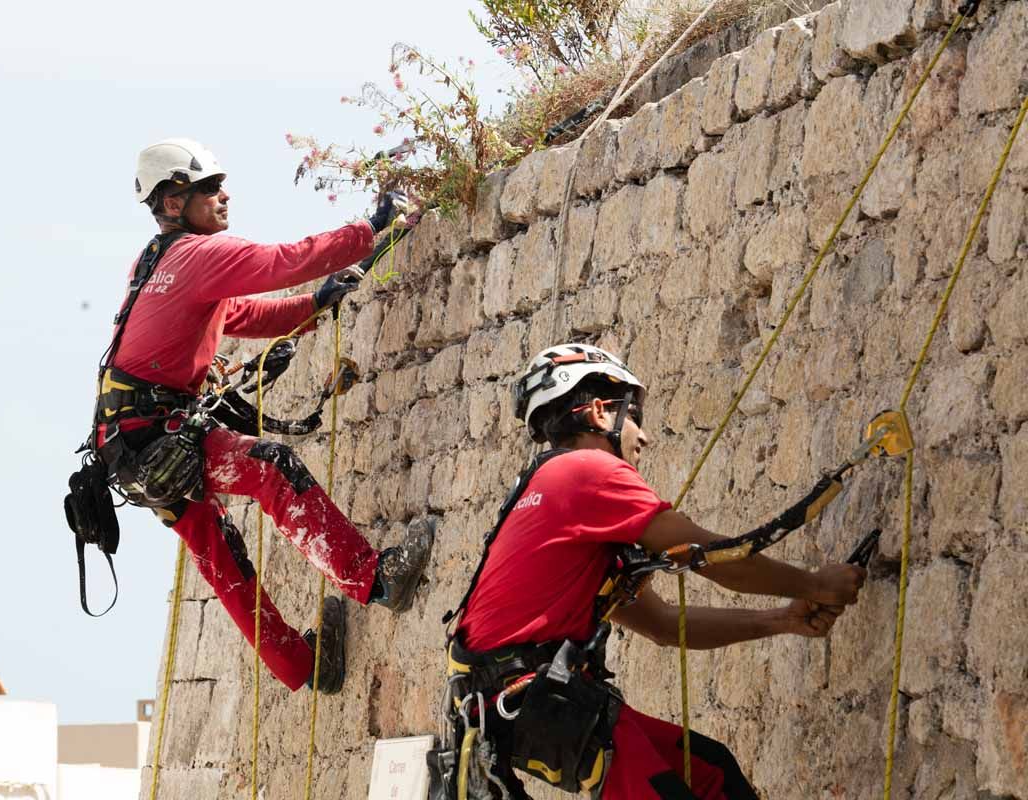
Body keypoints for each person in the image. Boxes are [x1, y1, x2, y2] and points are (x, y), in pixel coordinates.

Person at [443, 343, 866, 799]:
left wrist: (782, 620)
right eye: (636, 417)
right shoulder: (588, 471)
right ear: (602, 412)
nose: (643, 437)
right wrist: (816, 583)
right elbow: (714, 555)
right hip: (540, 697)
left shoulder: (552, 498)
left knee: (709, 775)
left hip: (518, 703)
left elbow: (665, 625)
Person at [94, 137, 434, 696]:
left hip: (128, 446)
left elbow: (238, 313)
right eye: (208, 188)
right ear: (174, 202)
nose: (223, 195)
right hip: (156, 435)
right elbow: (285, 262)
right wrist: (369, 230)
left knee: (217, 549)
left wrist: (312, 304)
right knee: (272, 467)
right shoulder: (198, 255)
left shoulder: (155, 260)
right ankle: (374, 579)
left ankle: (299, 665)